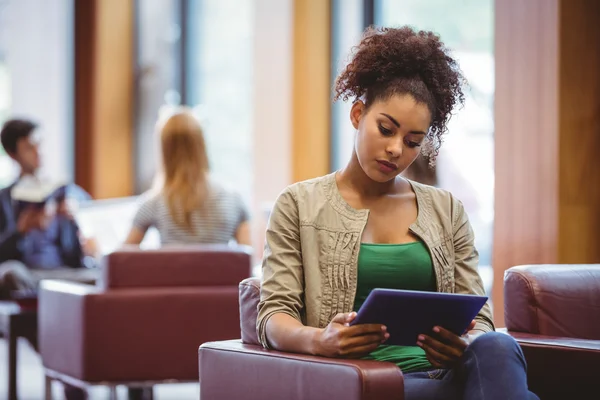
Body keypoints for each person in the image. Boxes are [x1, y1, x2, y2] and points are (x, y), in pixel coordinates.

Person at [257, 27, 539, 400]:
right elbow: (273, 316)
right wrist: (320, 339)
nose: (395, 150)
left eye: (412, 142)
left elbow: (480, 319)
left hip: (446, 378)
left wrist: (463, 341)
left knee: (499, 347)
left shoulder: (446, 209)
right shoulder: (298, 204)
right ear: (358, 113)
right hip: (360, 381)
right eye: (386, 129)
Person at [124, 107, 251, 247]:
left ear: (164, 152)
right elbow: (247, 259)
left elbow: (120, 259)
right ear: (201, 145)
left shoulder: (154, 204)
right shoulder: (233, 201)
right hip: (218, 270)